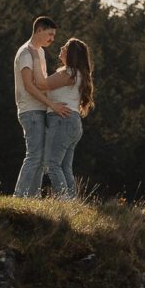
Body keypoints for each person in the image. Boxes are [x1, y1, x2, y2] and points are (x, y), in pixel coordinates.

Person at [12, 16, 78, 198]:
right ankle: (20, 197)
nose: (52, 39)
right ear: (39, 30)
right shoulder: (26, 52)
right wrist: (53, 105)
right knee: (34, 156)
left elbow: (44, 82)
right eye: (49, 34)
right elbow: (29, 85)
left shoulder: (39, 52)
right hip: (31, 110)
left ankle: (30, 198)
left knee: (41, 160)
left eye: (54, 35)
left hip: (40, 110)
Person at [36, 36, 95, 199]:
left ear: (71, 54)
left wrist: (34, 60)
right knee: (64, 167)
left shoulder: (68, 73)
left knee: (53, 165)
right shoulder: (78, 74)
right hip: (72, 123)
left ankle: (65, 202)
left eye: (65, 47)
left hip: (62, 121)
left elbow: (42, 84)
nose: (61, 48)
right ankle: (72, 203)